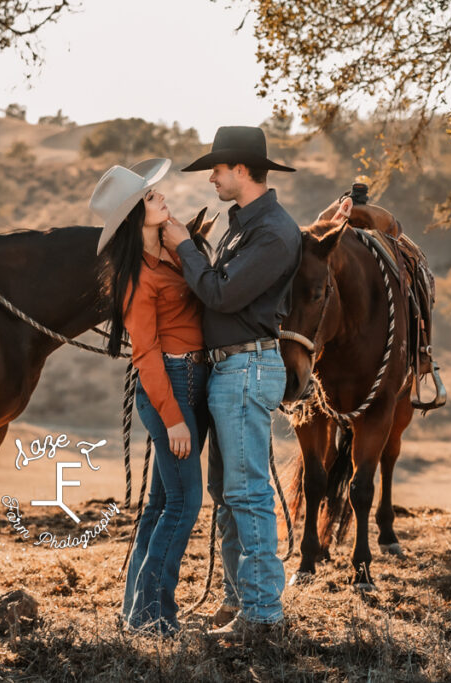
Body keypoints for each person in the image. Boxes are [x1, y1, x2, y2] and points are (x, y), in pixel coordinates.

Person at [161, 126, 302, 641]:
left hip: (246, 369)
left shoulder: (273, 233)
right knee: (228, 493)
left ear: (241, 170)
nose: (213, 178)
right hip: (230, 368)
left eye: (217, 169)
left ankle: (263, 616)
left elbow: (221, 294)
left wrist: (182, 247)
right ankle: (238, 602)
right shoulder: (244, 226)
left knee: (246, 494)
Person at [90, 158, 209, 636]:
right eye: (152, 197)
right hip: (172, 386)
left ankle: (136, 612)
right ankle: (153, 617)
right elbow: (147, 354)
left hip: (191, 381)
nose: (162, 197)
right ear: (136, 217)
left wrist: (184, 243)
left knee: (162, 506)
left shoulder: (174, 253)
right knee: (184, 505)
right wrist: (174, 417)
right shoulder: (139, 278)